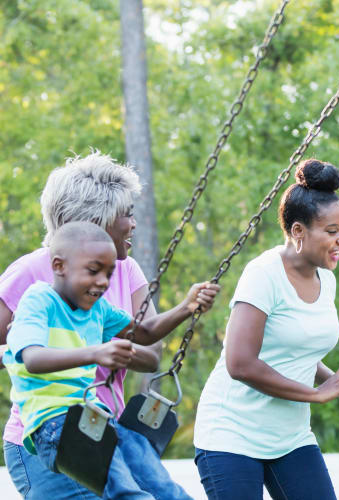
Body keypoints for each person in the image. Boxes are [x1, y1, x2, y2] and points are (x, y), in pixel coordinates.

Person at [0, 151, 217, 499]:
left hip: (102, 426)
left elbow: (149, 347)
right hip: (46, 432)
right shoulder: (33, 277)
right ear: (95, 219)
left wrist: (185, 308)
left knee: (162, 490)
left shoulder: (123, 271)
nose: (133, 223)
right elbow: (23, 352)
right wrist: (38, 347)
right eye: (126, 214)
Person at [193, 159, 339, 500]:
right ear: (298, 231)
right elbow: (239, 363)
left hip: (290, 438)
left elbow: (295, 351)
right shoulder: (263, 274)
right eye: (332, 231)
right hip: (231, 436)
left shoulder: (325, 279)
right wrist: (317, 393)